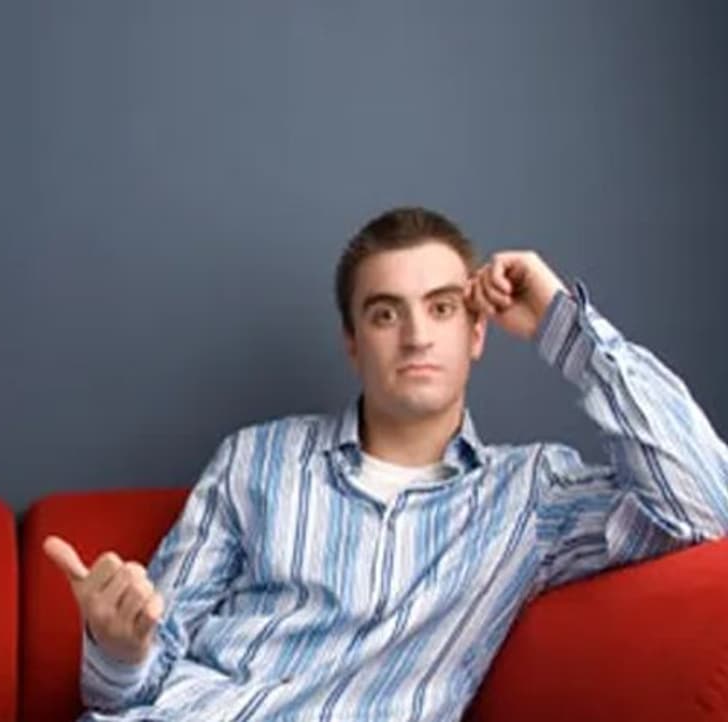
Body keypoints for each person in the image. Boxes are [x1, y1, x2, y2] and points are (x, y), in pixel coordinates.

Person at [45, 206, 728, 721]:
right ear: (352, 342)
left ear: (478, 331)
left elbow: (707, 502)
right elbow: (124, 692)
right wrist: (119, 648)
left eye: (442, 307)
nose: (417, 336)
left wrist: (562, 324)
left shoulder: (532, 496)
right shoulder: (255, 458)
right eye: (385, 314)